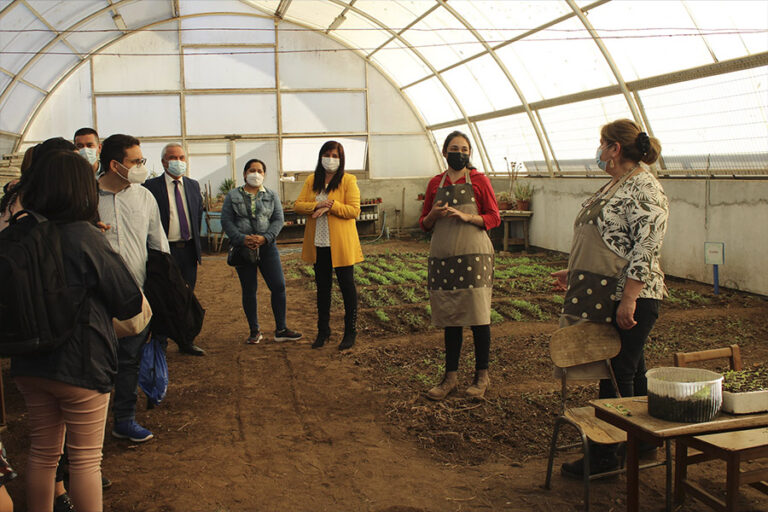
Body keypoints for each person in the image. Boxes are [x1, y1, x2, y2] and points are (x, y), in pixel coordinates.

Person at [9, 150, 144, 512]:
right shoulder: (84, 236)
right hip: (80, 364)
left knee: (42, 452)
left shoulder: (19, 233)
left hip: (29, 363)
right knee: (85, 459)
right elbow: (128, 300)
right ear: (81, 190)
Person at [552, 119, 669, 478]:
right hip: (607, 293)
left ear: (614, 149)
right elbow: (608, 239)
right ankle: (646, 441)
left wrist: (629, 299)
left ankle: (606, 456)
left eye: (602, 143)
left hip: (631, 296)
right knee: (632, 369)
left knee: (616, 373)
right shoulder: (616, 184)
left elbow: (645, 249)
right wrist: (574, 273)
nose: (599, 150)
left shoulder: (645, 189)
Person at [98, 134, 170, 443]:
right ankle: (89, 429)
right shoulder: (86, 198)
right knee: (95, 366)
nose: (141, 166)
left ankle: (124, 419)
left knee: (129, 360)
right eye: (136, 161)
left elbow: (158, 246)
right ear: (115, 165)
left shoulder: (144, 198)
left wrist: (158, 293)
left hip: (135, 295)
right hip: (95, 299)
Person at [419, 131, 500, 400]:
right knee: (451, 316)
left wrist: (466, 216)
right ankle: (450, 378)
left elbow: (494, 218)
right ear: (444, 152)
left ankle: (481, 377)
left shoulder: (479, 180)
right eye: (454, 148)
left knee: (478, 317)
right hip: (443, 256)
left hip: (473, 256)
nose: (460, 153)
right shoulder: (434, 183)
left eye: (465, 149)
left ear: (469, 153)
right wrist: (432, 214)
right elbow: (424, 224)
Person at [221, 159, 302, 345]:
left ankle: (281, 329)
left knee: (278, 286)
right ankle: (254, 331)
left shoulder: (271, 195)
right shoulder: (233, 195)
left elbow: (278, 219)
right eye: (251, 170)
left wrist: (265, 237)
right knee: (249, 290)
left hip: (267, 248)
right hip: (243, 249)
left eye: (259, 171)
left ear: (264, 175)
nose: (255, 174)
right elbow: (227, 221)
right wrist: (242, 238)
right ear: (244, 174)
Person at [294, 141, 363, 351]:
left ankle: (350, 331)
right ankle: (323, 331)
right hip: (320, 243)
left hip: (341, 244)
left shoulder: (349, 180)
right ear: (321, 156)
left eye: (335, 155)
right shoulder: (312, 180)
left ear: (340, 159)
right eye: (327, 154)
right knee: (323, 289)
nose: (331, 159)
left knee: (347, 287)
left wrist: (332, 206)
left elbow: (354, 210)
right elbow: (298, 206)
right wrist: (317, 204)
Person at [143, 142, 205, 355]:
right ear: (163, 162)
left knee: (186, 297)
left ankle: (186, 340)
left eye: (181, 158)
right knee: (162, 296)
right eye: (172, 158)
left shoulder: (193, 185)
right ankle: (160, 341)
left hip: (187, 250)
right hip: (162, 252)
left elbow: (197, 216)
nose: (178, 162)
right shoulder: (150, 187)